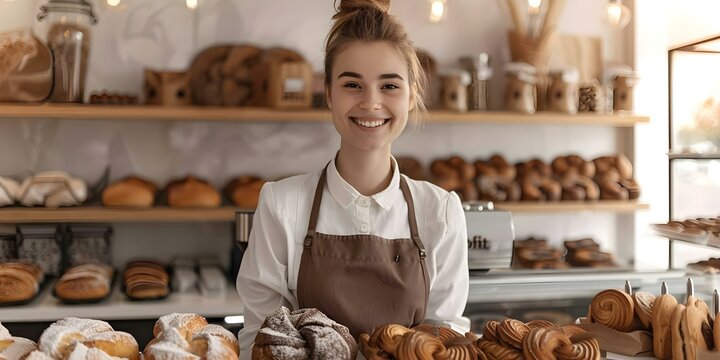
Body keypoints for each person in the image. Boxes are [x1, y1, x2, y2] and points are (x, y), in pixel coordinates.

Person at [236, 0, 469, 354]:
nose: (371, 103)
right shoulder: (282, 204)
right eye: (352, 85)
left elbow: (443, 342)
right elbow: (263, 340)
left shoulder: (441, 212)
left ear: (411, 97)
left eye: (389, 86)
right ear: (328, 93)